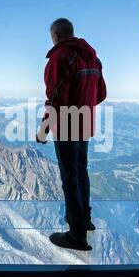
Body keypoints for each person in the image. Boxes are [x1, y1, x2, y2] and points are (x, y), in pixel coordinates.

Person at [36, 18, 107, 251]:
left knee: (70, 178)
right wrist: (83, 104)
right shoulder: (92, 57)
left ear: (55, 35)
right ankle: (85, 220)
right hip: (84, 122)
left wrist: (43, 129)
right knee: (81, 172)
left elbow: (55, 100)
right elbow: (101, 94)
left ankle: (77, 235)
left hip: (67, 125)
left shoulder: (60, 58)